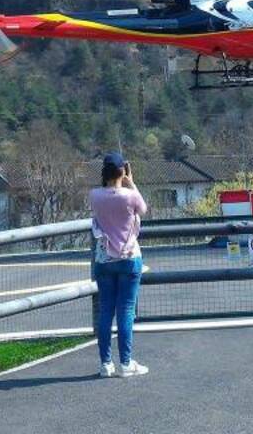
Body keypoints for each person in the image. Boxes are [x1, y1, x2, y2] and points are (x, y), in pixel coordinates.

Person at [90, 152, 149, 377]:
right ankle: (126, 363)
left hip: (104, 260)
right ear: (122, 171)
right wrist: (130, 182)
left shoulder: (94, 195)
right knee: (125, 310)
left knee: (106, 310)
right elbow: (143, 208)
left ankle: (106, 364)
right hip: (129, 258)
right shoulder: (129, 197)